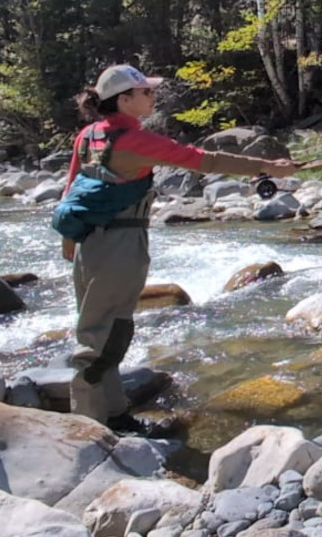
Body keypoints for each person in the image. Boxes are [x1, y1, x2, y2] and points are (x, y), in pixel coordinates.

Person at [60, 63, 299, 435]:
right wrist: (269, 167)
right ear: (123, 100)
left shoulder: (89, 135)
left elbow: (70, 188)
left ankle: (113, 414)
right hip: (120, 244)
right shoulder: (134, 140)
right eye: (146, 92)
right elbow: (204, 160)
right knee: (100, 337)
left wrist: (69, 242)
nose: (153, 96)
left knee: (108, 329)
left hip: (90, 242)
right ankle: (89, 429)